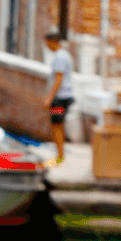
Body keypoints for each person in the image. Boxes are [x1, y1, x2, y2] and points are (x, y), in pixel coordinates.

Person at [43, 32, 74, 166]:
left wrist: (49, 98)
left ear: (53, 41)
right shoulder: (64, 55)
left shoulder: (60, 57)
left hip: (59, 99)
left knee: (56, 125)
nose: (47, 46)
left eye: (47, 43)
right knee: (57, 125)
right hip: (62, 98)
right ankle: (60, 155)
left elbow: (58, 79)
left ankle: (60, 157)